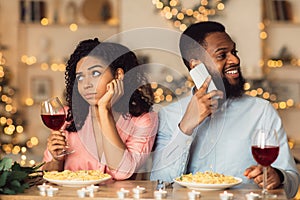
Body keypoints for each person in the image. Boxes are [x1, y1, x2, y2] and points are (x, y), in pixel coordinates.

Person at [150, 21, 299, 198]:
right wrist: (185, 128)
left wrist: (279, 176)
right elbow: (161, 183)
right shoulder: (169, 115)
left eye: (234, 52)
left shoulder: (261, 111)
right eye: (222, 55)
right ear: (196, 65)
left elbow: (292, 180)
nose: (235, 60)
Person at [42, 38, 158, 180]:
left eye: (95, 73)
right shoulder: (65, 116)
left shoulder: (144, 121)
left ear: (118, 75)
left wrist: (104, 110)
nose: (86, 84)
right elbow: (46, 173)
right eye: (80, 78)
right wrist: (55, 160)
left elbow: (122, 172)